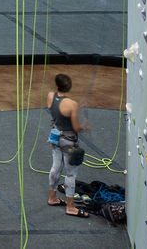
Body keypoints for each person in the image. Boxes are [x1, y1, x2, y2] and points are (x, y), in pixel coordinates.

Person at [46, 73, 85, 210]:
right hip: (68, 142)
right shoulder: (72, 104)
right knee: (70, 173)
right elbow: (76, 127)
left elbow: (58, 112)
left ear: (57, 85)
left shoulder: (50, 96)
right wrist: (84, 126)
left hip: (55, 137)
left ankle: (52, 198)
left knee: (56, 167)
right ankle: (70, 206)